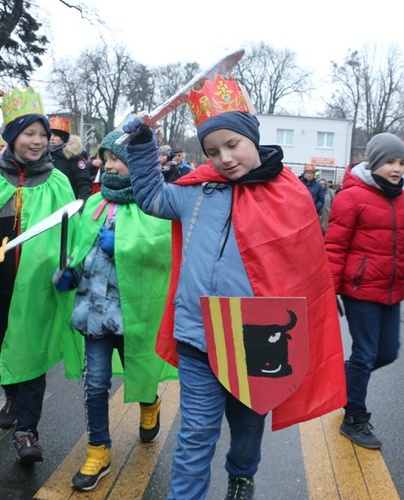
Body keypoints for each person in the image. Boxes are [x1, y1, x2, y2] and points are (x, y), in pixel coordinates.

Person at [123, 75, 346, 500]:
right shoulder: (196, 193)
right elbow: (151, 196)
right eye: (212, 151)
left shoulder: (291, 194)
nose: (224, 158)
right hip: (198, 339)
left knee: (246, 427)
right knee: (195, 435)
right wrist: (141, 144)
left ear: (252, 138)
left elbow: (305, 269)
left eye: (232, 145)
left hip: (257, 343)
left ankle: (242, 475)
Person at [55, 130, 177, 491]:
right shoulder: (95, 204)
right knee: (95, 384)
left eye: (118, 158)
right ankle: (98, 451)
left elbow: (165, 251)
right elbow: (80, 249)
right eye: (106, 158)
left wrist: (123, 244)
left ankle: (149, 402)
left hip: (134, 314)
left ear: (138, 163)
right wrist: (69, 272)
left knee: (139, 371)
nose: (108, 165)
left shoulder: (156, 204)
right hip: (94, 313)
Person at [0, 87, 84, 465]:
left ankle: (27, 430)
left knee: (33, 351)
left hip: (38, 287)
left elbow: (72, 234)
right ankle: (10, 392)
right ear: (12, 137)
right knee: (3, 342)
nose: (39, 141)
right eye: (30, 134)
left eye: (43, 135)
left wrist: (69, 268)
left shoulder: (58, 181)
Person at [324, 132, 404, 450]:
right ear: (375, 162)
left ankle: (345, 377)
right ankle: (354, 417)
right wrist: (330, 290)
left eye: (401, 162)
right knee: (366, 354)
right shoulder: (351, 197)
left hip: (391, 291)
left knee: (387, 353)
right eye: (390, 162)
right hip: (360, 291)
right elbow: (334, 247)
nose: (397, 168)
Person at [49, 116, 92, 200]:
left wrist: (83, 204)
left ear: (63, 138)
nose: (52, 138)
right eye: (50, 134)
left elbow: (84, 183)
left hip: (67, 202)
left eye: (56, 135)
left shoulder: (73, 158)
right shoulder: (43, 156)